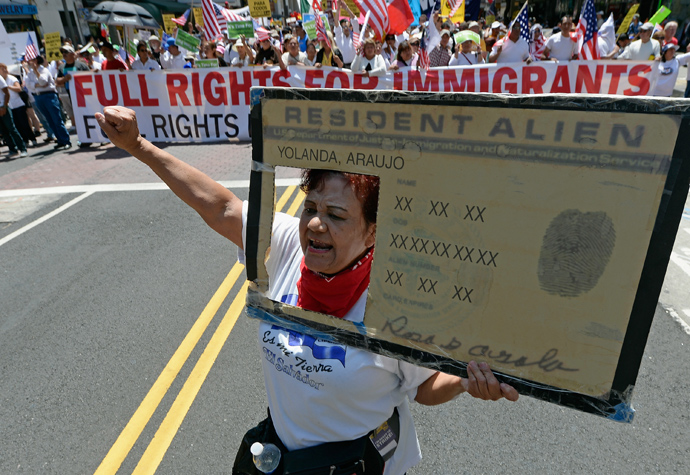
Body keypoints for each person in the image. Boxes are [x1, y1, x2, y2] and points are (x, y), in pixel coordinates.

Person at [95, 105, 519, 475]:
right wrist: (139, 147)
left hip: (361, 464)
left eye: (336, 214)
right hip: (286, 462)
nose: (316, 224)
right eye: (311, 208)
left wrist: (465, 382)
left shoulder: (398, 300)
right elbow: (222, 207)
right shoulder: (284, 245)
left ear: (373, 232)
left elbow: (424, 387)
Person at [24, 56, 71, 150]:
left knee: (56, 119)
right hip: (38, 97)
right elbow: (29, 85)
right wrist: (37, 85)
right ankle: (60, 140)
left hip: (49, 96)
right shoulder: (30, 73)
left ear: (36, 61)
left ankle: (66, 140)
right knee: (49, 120)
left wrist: (37, 80)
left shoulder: (44, 70)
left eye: (31, 60)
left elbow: (43, 81)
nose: (28, 62)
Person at [0, 63, 37, 148]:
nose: (4, 70)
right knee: (17, 125)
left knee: (24, 123)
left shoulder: (11, 78)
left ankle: (33, 139)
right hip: (10, 105)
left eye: (5, 68)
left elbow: (18, 89)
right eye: (2, 69)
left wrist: (8, 86)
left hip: (18, 104)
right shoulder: (2, 79)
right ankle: (25, 140)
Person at [0, 66, 28, 157]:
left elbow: (6, 93)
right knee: (4, 131)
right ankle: (13, 149)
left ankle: (23, 148)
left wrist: (4, 106)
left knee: (11, 129)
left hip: (3, 107)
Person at [335, 3, 360, 68]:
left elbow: (355, 21)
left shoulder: (354, 36)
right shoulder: (339, 37)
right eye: (343, 26)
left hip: (355, 66)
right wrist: (338, 8)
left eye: (347, 25)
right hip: (343, 67)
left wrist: (346, 8)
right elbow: (336, 23)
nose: (345, 28)